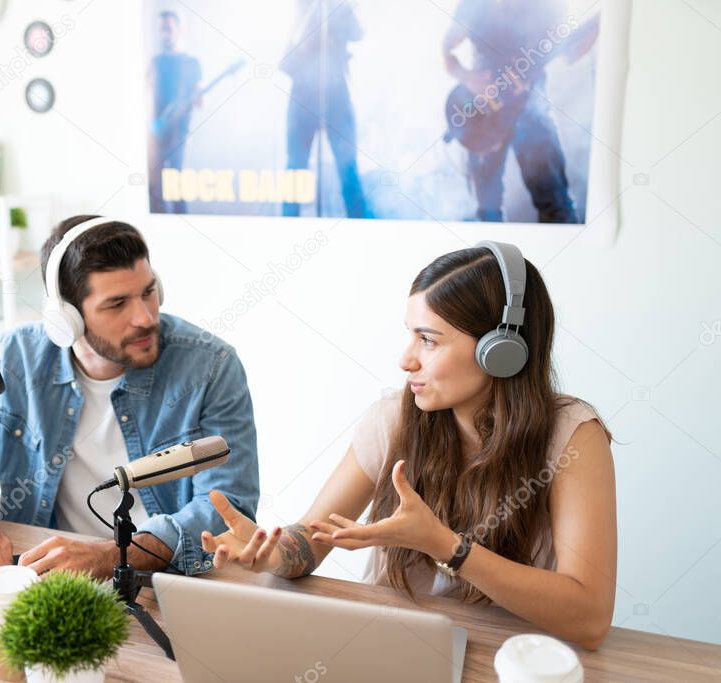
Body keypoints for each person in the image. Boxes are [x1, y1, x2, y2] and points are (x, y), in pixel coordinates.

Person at [202, 242, 617, 650]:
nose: (406, 360)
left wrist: (445, 545)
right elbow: (314, 537)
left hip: (510, 660)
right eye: (411, 336)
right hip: (393, 652)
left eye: (429, 340)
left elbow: (590, 618)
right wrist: (272, 555)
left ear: (501, 352)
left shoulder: (572, 435)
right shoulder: (392, 421)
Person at [0, 215, 259, 585]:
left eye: (149, 292)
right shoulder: (15, 357)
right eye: (117, 304)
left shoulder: (210, 366)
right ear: (67, 318)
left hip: (168, 582)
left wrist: (110, 556)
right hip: (42, 578)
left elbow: (229, 508)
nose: (146, 318)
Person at [442, 0, 595, 222]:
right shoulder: (474, 4)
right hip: (480, 117)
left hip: (531, 112)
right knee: (486, 209)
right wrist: (466, 76)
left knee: (556, 205)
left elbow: (571, 51)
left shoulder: (546, 7)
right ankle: (487, 256)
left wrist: (603, 21)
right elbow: (447, 47)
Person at [281, 0, 368, 218]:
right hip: (303, 95)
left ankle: (361, 228)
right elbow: (286, 60)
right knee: (296, 169)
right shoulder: (302, 9)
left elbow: (358, 33)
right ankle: (286, 225)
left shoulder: (340, 8)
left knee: (347, 167)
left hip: (336, 94)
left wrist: (340, 7)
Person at [148, 10, 202, 214]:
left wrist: (196, 97)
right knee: (156, 191)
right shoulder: (155, 63)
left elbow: (200, 100)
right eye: (161, 29)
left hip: (180, 135)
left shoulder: (191, 64)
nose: (165, 33)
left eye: (168, 28)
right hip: (156, 136)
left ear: (180, 30)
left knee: (177, 187)